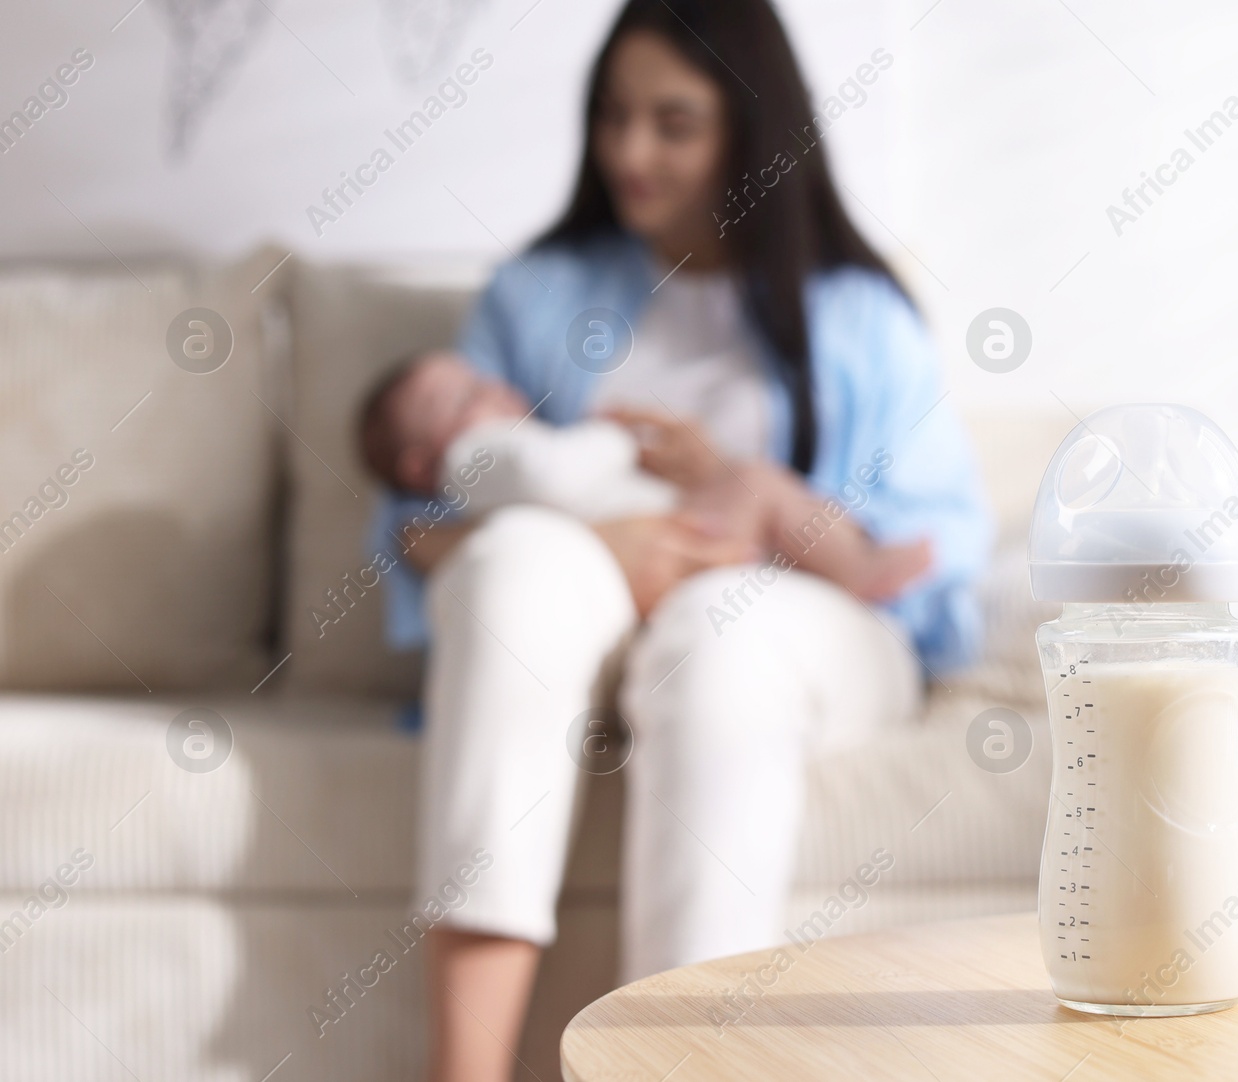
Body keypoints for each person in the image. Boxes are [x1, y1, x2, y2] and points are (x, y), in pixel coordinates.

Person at [365, 1, 991, 1078]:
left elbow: (931, 571)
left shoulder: (859, 314)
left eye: (672, 122)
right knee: (514, 561)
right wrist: (604, 547)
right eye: (611, 117)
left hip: (805, 628)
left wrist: (762, 500)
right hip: (589, 620)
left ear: (751, 130)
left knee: (720, 630)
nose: (629, 152)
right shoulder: (537, 291)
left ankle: (684, 1066)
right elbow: (418, 522)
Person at [359, 349, 933, 599]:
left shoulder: (489, 463)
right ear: (420, 463)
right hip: (658, 534)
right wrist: (619, 441)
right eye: (464, 395)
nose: (492, 388)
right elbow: (552, 477)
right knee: (757, 484)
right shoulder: (472, 457)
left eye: (480, 378)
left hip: (659, 537)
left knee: (756, 490)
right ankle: (856, 566)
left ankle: (848, 562)